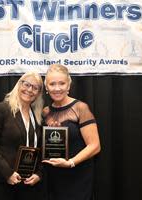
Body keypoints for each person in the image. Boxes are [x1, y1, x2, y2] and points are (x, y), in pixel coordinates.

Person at [0, 72, 45, 200]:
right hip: (1, 182)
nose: (29, 90)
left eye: (35, 87)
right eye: (26, 84)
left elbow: (40, 149)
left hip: (27, 183)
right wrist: (8, 174)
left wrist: (39, 174)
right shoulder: (2, 109)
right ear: (18, 85)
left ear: (38, 93)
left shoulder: (38, 117)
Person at [42, 64, 101, 200]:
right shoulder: (45, 112)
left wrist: (71, 162)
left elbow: (95, 146)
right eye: (52, 84)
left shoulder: (80, 108)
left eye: (62, 83)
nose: (57, 88)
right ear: (46, 87)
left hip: (77, 177)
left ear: (68, 85)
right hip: (53, 178)